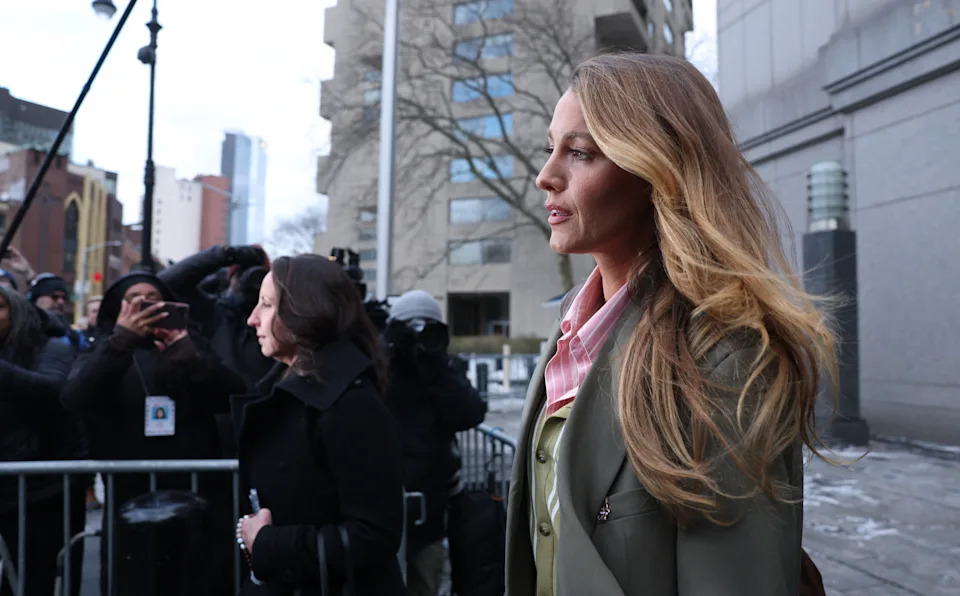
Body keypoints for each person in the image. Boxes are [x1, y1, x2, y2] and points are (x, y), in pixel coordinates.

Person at [505, 53, 838, 596]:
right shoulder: (571, 329)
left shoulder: (724, 363)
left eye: (580, 153)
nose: (546, 177)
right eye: (551, 149)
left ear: (656, 171)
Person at [60, 271, 246, 593]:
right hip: (130, 490)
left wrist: (190, 356)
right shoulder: (102, 348)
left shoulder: (191, 344)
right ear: (118, 309)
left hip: (196, 488)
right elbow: (74, 397)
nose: (144, 305)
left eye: (153, 299)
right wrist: (121, 342)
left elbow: (233, 395)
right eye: (134, 300)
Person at [235, 254, 405, 595]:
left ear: (304, 312)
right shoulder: (293, 393)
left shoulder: (350, 404)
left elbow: (371, 536)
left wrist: (268, 542)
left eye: (266, 304)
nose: (252, 319)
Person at [383, 290, 487, 596]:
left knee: (425, 582)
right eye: (411, 327)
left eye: (428, 326)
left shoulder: (441, 370)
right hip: (385, 504)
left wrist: (436, 366)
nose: (420, 335)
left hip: (431, 506)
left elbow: (470, 412)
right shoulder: (379, 367)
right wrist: (390, 351)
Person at [0, 286, 86, 596]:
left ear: (18, 312)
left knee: (31, 579)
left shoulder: (51, 347)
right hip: (9, 484)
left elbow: (52, 391)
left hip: (40, 491)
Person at [27, 273, 87, 351]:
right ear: (37, 299)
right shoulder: (24, 330)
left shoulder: (74, 336)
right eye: (54, 297)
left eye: (64, 297)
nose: (61, 302)